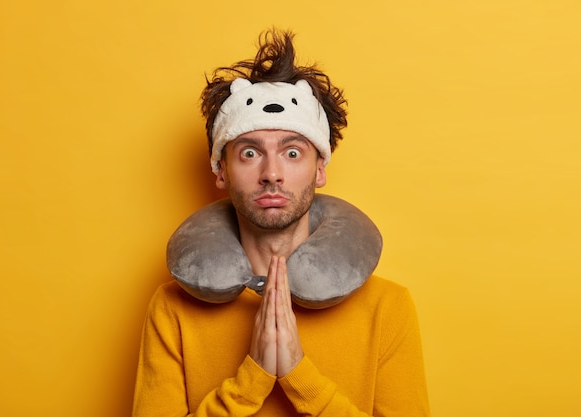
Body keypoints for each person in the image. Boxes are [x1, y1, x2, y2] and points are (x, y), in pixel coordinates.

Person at [132, 29, 430, 417]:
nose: (272, 173)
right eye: (250, 152)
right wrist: (249, 383)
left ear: (319, 168)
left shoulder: (386, 308)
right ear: (220, 170)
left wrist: (298, 376)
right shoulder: (172, 308)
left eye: (292, 152)